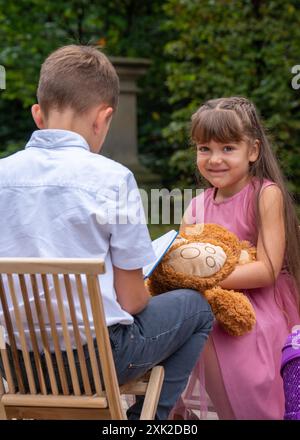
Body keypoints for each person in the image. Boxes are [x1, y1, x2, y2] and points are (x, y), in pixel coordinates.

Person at [0, 45, 213, 420]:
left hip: (17, 366)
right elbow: (131, 302)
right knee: (197, 308)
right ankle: (143, 422)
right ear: (103, 118)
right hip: (96, 363)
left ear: (38, 114)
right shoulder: (113, 179)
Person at [174, 96, 300, 420]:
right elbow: (182, 261)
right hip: (213, 304)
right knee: (196, 329)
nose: (215, 159)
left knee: (249, 365)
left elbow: (268, 269)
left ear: (253, 151)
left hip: (263, 303)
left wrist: (205, 279)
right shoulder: (197, 206)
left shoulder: (264, 194)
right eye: (205, 149)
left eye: (228, 148)